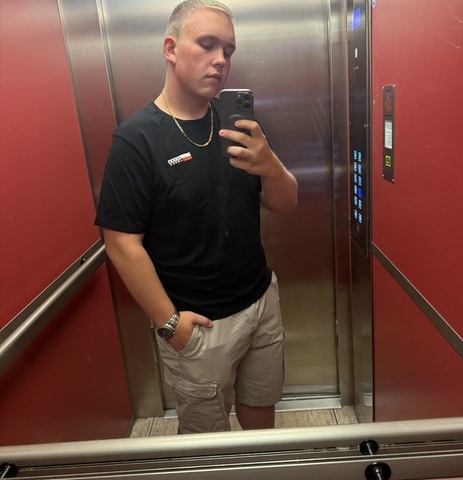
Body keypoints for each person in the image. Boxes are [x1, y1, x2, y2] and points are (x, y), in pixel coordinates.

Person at [95, 0, 298, 434]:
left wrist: (269, 165)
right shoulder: (136, 139)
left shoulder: (239, 125)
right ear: (170, 48)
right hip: (199, 325)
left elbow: (285, 203)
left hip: (260, 301)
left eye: (228, 50)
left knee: (261, 410)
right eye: (207, 44)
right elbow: (121, 243)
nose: (221, 60)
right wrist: (170, 324)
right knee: (207, 440)